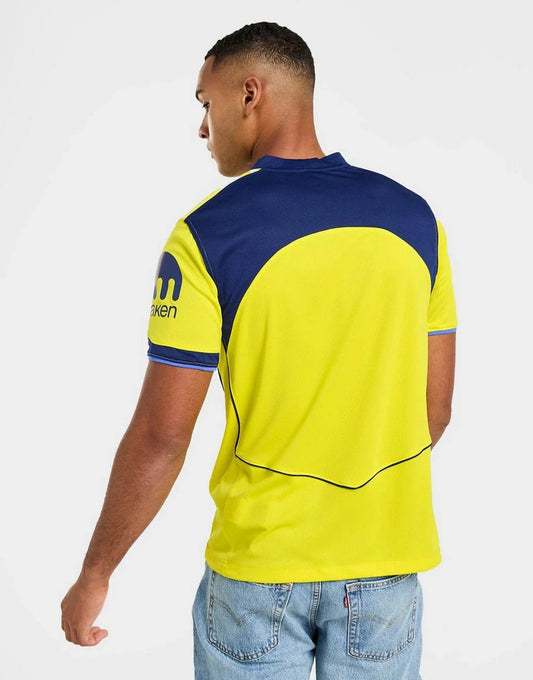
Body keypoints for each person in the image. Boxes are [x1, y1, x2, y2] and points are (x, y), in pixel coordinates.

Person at [61, 21, 457, 680]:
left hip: (258, 573)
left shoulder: (206, 236)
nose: (201, 127)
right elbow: (433, 411)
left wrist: (95, 572)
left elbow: (162, 435)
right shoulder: (418, 222)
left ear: (249, 94)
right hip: (386, 571)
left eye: (205, 102)